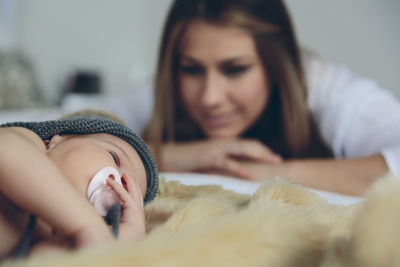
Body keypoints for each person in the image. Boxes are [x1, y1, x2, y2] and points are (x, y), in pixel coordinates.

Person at [142, 0, 400, 196]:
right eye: (192, 69)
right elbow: (100, 125)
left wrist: (270, 174)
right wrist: (176, 156)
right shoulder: (165, 87)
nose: (210, 97)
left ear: (276, 64)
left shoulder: (328, 90)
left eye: (235, 69)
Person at [0, 110, 158, 258]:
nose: (121, 184)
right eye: (114, 157)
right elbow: (6, 149)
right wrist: (89, 225)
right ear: (57, 139)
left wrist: (117, 242)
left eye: (130, 193)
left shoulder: (57, 234)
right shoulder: (27, 141)